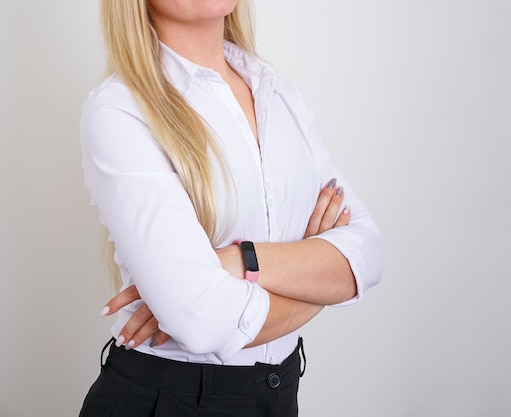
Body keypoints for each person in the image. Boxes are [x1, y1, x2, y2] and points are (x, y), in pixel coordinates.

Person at [78, 0, 382, 416]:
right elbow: (202, 320)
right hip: (168, 401)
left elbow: (365, 251)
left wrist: (236, 262)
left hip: (279, 395)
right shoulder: (119, 111)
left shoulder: (277, 92)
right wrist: (326, 282)